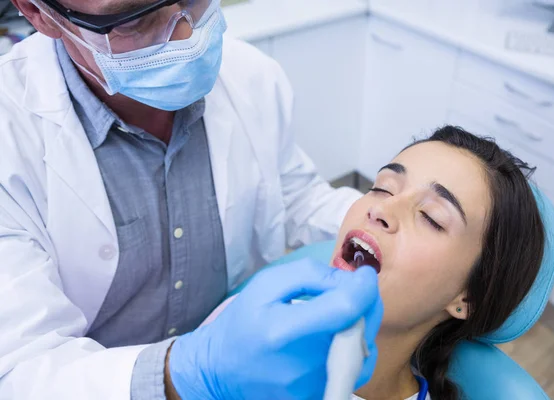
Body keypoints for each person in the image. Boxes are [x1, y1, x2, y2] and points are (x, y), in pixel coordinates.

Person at [0, 0, 382, 399]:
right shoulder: (10, 137)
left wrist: (387, 220)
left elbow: (295, 198)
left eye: (193, 0)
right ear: (40, 14)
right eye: (137, 19)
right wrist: (184, 373)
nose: (185, 37)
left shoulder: (252, 76)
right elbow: (21, 371)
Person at [203, 126, 546, 400]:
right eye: (383, 187)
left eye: (431, 217)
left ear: (466, 297)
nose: (380, 209)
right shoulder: (243, 326)